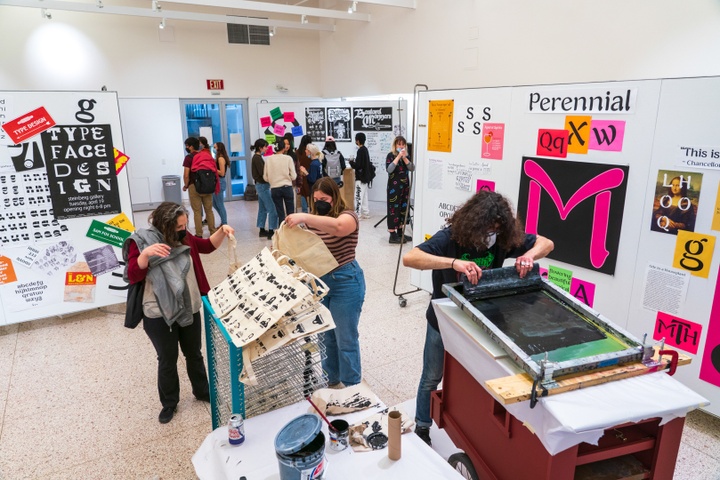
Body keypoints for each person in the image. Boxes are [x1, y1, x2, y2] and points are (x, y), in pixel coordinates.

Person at [402, 190, 554, 446]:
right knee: (431, 375)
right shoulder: (450, 237)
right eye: (487, 230)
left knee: (476, 377)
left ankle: (470, 426)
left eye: (495, 230)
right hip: (443, 319)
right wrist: (453, 264)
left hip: (481, 320)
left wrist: (529, 256)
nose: (490, 236)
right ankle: (422, 426)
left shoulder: (504, 240)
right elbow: (411, 258)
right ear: (474, 225)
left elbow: (546, 243)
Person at [122, 202, 235, 424]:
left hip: (188, 305)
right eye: (179, 226)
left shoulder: (183, 236)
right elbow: (132, 274)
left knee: (194, 353)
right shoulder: (142, 241)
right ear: (165, 225)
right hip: (158, 312)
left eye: (185, 225)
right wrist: (145, 256)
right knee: (167, 358)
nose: (184, 229)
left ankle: (202, 391)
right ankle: (169, 403)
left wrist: (222, 230)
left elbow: (207, 246)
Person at [285, 177, 366, 387]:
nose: (319, 202)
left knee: (345, 338)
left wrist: (305, 217)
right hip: (320, 283)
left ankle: (352, 386)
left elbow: (338, 228)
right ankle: (331, 380)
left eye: (324, 198)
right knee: (326, 337)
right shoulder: (313, 219)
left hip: (346, 281)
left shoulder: (348, 216)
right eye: (316, 198)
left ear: (334, 197)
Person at [182, 136, 217, 237]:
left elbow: (186, 174)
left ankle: (199, 234)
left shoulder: (189, 158)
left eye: (187, 146)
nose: (187, 148)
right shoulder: (205, 155)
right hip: (208, 186)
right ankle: (213, 232)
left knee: (197, 212)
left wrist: (186, 185)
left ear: (191, 147)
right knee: (209, 210)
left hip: (194, 186)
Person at [386, 136, 415, 244]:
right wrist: (398, 156)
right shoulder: (390, 155)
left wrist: (404, 158)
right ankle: (392, 235)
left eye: (403, 144)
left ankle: (400, 232)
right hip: (394, 188)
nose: (401, 146)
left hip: (405, 188)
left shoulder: (406, 156)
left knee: (403, 210)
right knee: (394, 210)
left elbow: (412, 168)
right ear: (395, 145)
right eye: (399, 144)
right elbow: (389, 169)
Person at [263, 137, 297, 224]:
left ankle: (282, 231)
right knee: (291, 212)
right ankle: (291, 231)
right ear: (283, 148)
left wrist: (273, 180)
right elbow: (294, 176)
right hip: (287, 187)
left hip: (275, 188)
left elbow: (265, 177)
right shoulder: (288, 158)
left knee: (280, 212)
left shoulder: (269, 159)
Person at [251, 138, 277, 238]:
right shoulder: (257, 158)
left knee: (262, 208)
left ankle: (261, 229)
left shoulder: (257, 157)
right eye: (265, 147)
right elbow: (263, 174)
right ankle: (271, 231)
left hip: (260, 185)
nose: (267, 148)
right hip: (263, 186)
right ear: (260, 147)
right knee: (272, 209)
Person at [349, 132, 371, 219]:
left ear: (357, 140)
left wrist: (351, 162)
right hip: (366, 177)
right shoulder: (365, 149)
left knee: (358, 195)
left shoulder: (360, 150)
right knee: (364, 195)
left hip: (360, 177)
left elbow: (358, 165)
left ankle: (357, 214)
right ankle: (366, 212)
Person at [212, 141, 229, 227]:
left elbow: (222, 173)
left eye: (215, 147)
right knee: (214, 203)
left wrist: (212, 168)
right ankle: (223, 220)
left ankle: (224, 222)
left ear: (219, 148)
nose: (214, 149)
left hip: (220, 181)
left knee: (219, 204)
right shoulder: (217, 157)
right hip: (216, 181)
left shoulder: (221, 158)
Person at [296, 134, 314, 213]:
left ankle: (304, 212)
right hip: (309, 175)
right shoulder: (311, 152)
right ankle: (312, 210)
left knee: (303, 194)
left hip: (300, 176)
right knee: (311, 193)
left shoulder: (297, 152)